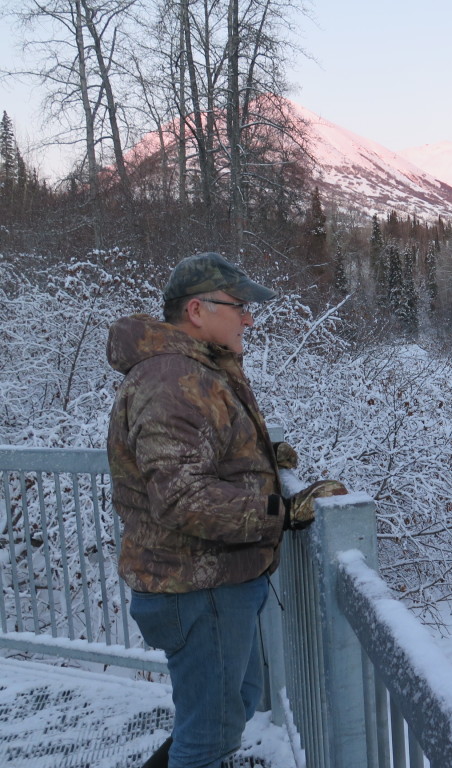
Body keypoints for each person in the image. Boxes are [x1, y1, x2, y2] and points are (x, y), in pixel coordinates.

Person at [106, 252, 346, 768]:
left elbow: (199, 456)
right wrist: (281, 510)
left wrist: (258, 460)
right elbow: (182, 496)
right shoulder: (172, 379)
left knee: (226, 713)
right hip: (198, 587)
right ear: (197, 310)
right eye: (238, 306)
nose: (250, 318)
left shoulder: (195, 369)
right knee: (207, 740)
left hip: (212, 584)